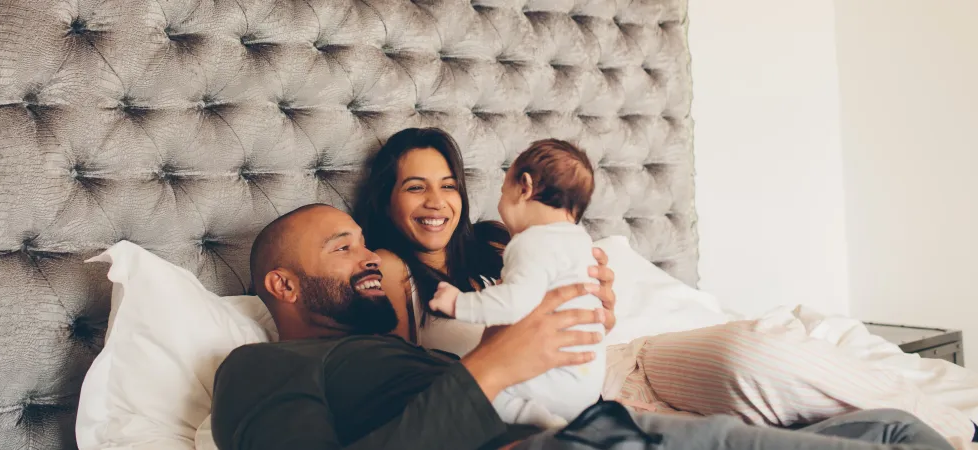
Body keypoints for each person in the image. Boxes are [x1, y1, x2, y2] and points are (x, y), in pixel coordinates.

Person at [352, 127, 977, 444]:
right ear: (387, 197)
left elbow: (594, 309)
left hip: (624, 361)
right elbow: (407, 375)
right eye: (415, 186)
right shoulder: (393, 269)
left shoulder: (503, 241)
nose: (437, 202)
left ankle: (954, 429)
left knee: (762, 352)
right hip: (565, 408)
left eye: (448, 185)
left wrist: (604, 301)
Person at [208, 203, 955, 450]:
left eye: (369, 244)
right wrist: (493, 367)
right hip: (580, 440)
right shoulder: (256, 369)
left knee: (888, 426)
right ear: (282, 283)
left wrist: (572, 312)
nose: (371, 256)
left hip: (596, 420)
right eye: (345, 248)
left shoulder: (390, 351)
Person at [429, 139, 605, 428]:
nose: (500, 204)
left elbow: (513, 305)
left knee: (484, 397)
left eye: (502, 191)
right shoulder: (582, 243)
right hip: (587, 380)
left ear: (524, 187)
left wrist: (458, 303)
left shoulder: (531, 242)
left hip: (553, 379)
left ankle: (542, 425)